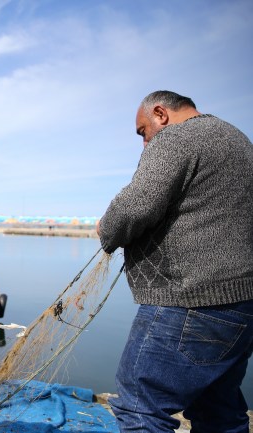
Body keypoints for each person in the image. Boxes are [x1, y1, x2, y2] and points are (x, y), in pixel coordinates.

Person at [97, 90, 253, 433]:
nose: (145, 143)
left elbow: (134, 206)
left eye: (143, 132)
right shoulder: (239, 140)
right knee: (219, 410)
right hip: (242, 304)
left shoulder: (177, 138)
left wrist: (105, 228)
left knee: (140, 407)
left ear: (160, 114)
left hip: (190, 300)